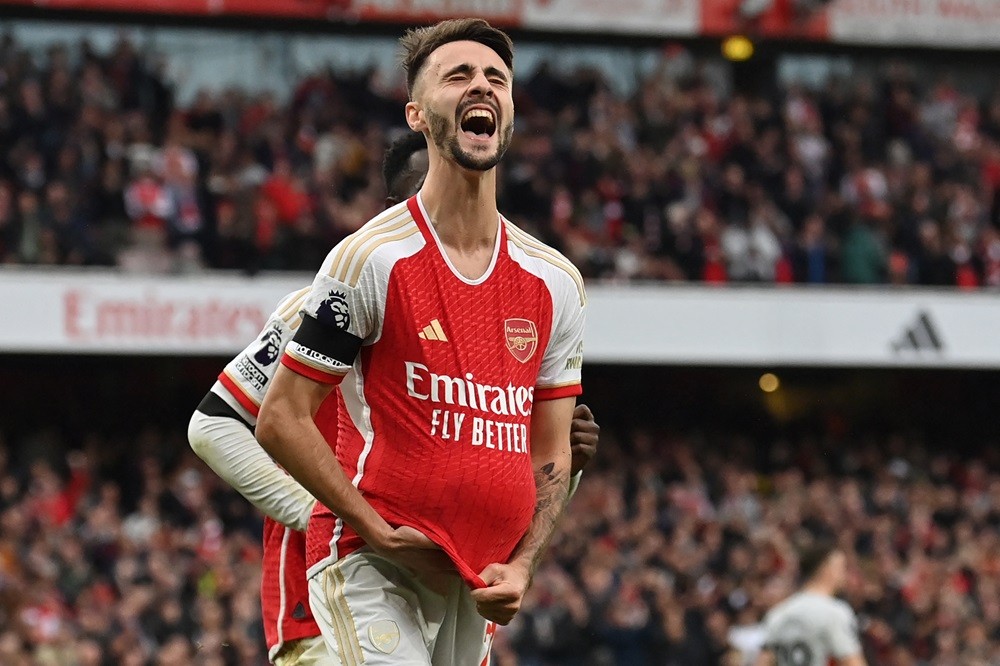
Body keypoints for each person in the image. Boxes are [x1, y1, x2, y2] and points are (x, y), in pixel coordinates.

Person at [189, 130, 598, 664]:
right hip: (336, 588)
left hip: (456, 580)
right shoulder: (325, 303)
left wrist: (568, 467)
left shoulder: (494, 316)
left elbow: (494, 465)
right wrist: (327, 508)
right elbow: (215, 422)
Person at [255, 17, 586, 665]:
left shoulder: (555, 281)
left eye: (496, 78)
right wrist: (375, 528)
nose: (480, 86)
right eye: (457, 75)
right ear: (416, 113)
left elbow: (550, 448)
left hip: (475, 580)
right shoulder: (369, 260)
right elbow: (280, 418)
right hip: (369, 566)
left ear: (511, 110)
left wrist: (522, 566)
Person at [756, 541, 867, 666]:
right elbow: (852, 662)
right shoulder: (834, 612)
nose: (845, 574)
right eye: (842, 567)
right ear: (826, 568)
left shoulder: (778, 614)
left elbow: (763, 662)